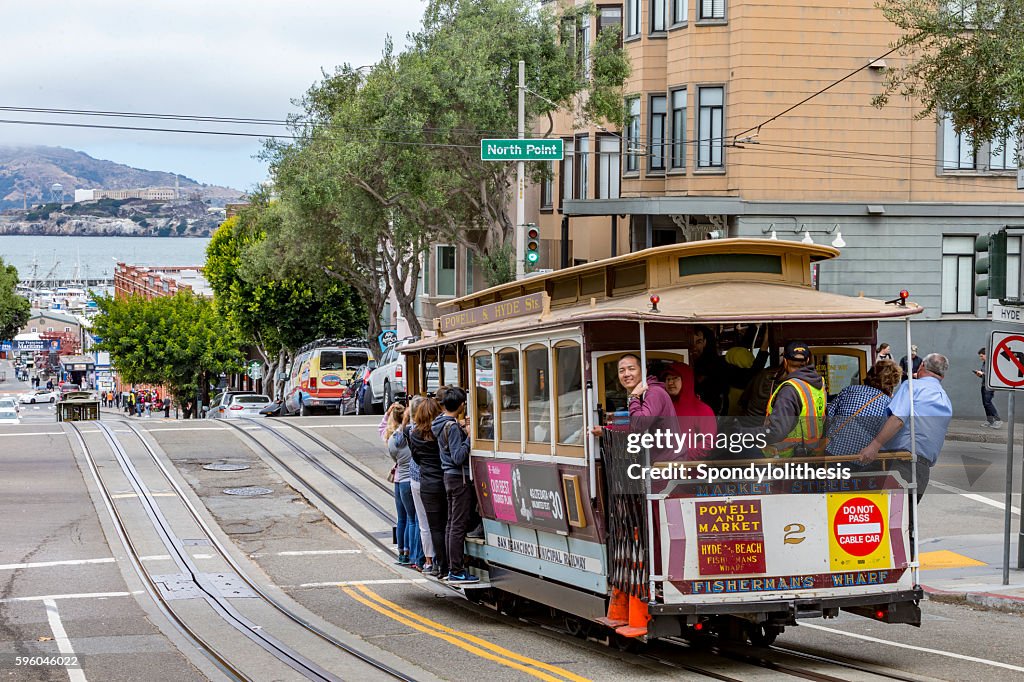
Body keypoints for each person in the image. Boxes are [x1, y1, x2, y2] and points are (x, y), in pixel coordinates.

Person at [857, 353, 952, 501]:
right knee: (905, 519)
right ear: (943, 377)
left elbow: (898, 419)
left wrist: (874, 445)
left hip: (897, 462)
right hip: (922, 470)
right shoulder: (945, 399)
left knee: (868, 509)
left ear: (921, 366)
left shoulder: (911, 386)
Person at [591, 354, 677, 461]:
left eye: (631, 369)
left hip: (665, 466)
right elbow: (632, 424)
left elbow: (639, 424)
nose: (626, 374)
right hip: (656, 463)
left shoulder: (654, 393)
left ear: (644, 371)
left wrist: (633, 397)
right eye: (621, 370)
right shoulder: (643, 393)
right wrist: (606, 430)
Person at [432, 387, 479, 584]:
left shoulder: (441, 423)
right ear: (460, 406)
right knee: (457, 525)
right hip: (459, 478)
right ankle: (457, 569)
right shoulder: (451, 427)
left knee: (452, 524)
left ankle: (452, 567)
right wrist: (469, 437)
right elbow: (458, 456)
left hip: (448, 477)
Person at [824, 360, 902, 460]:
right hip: (862, 457)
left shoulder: (849, 390)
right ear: (892, 383)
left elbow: (828, 417)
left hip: (832, 451)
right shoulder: (888, 403)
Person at [762, 341, 826, 457]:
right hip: (811, 452)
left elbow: (778, 430)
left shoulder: (790, 389)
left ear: (785, 361)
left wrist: (746, 434)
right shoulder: (819, 383)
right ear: (807, 361)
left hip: (784, 456)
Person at [407, 396, 447, 578]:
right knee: (447, 524)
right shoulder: (441, 433)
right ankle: (446, 564)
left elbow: (416, 459)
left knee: (433, 527)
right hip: (443, 480)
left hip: (426, 484)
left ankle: (437, 564)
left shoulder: (414, 435)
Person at [383, 404, 423, 569]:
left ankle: (401, 552)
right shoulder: (414, 435)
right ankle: (411, 554)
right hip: (411, 480)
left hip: (399, 481)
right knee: (413, 520)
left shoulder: (393, 438)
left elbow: (394, 457)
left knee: (402, 519)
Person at [661, 362, 717, 460]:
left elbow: (708, 443)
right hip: (662, 470)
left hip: (691, 471)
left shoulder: (702, 410)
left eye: (675, 378)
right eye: (668, 379)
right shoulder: (662, 408)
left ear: (686, 380)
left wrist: (682, 457)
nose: (670, 383)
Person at [691, 326, 729, 415]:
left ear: (705, 342)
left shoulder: (717, 366)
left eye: (698, 342)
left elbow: (722, 397)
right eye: (691, 342)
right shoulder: (684, 363)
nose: (694, 347)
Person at [974, 347, 1002, 428]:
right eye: (980, 356)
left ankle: (998, 420)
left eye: (982, 356)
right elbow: (985, 376)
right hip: (984, 385)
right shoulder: (985, 363)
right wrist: (980, 375)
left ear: (987, 355)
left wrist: (983, 374)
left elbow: (993, 376)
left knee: (988, 403)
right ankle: (990, 421)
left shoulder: (992, 363)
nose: (980, 358)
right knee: (985, 404)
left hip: (989, 386)